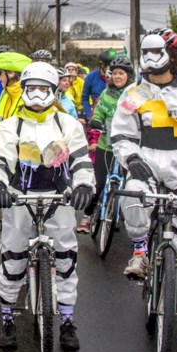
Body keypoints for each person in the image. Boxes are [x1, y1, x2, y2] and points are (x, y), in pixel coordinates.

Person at [112, 30, 177, 347]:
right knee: (131, 198)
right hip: (147, 165)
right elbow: (121, 133)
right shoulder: (134, 92)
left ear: (172, 54)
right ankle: (141, 250)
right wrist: (133, 161)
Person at [0, 62, 94, 351]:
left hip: (59, 202)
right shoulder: (11, 126)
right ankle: (8, 318)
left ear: (52, 90)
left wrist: (84, 185)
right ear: (23, 90)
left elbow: (82, 161)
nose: (36, 94)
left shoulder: (67, 124)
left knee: (66, 260)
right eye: (30, 88)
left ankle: (68, 320)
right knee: (13, 260)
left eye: (42, 88)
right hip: (20, 201)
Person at [78, 56, 135, 233]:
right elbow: (98, 113)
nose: (117, 77)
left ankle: (125, 215)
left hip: (127, 147)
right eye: (115, 73)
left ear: (128, 76)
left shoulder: (135, 94)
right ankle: (87, 216)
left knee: (128, 186)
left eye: (121, 73)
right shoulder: (105, 93)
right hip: (106, 146)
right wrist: (95, 121)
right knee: (100, 183)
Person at [80, 50, 115, 119]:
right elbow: (85, 98)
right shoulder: (90, 77)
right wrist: (89, 115)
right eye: (108, 66)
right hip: (96, 115)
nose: (110, 69)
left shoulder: (117, 77)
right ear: (102, 65)